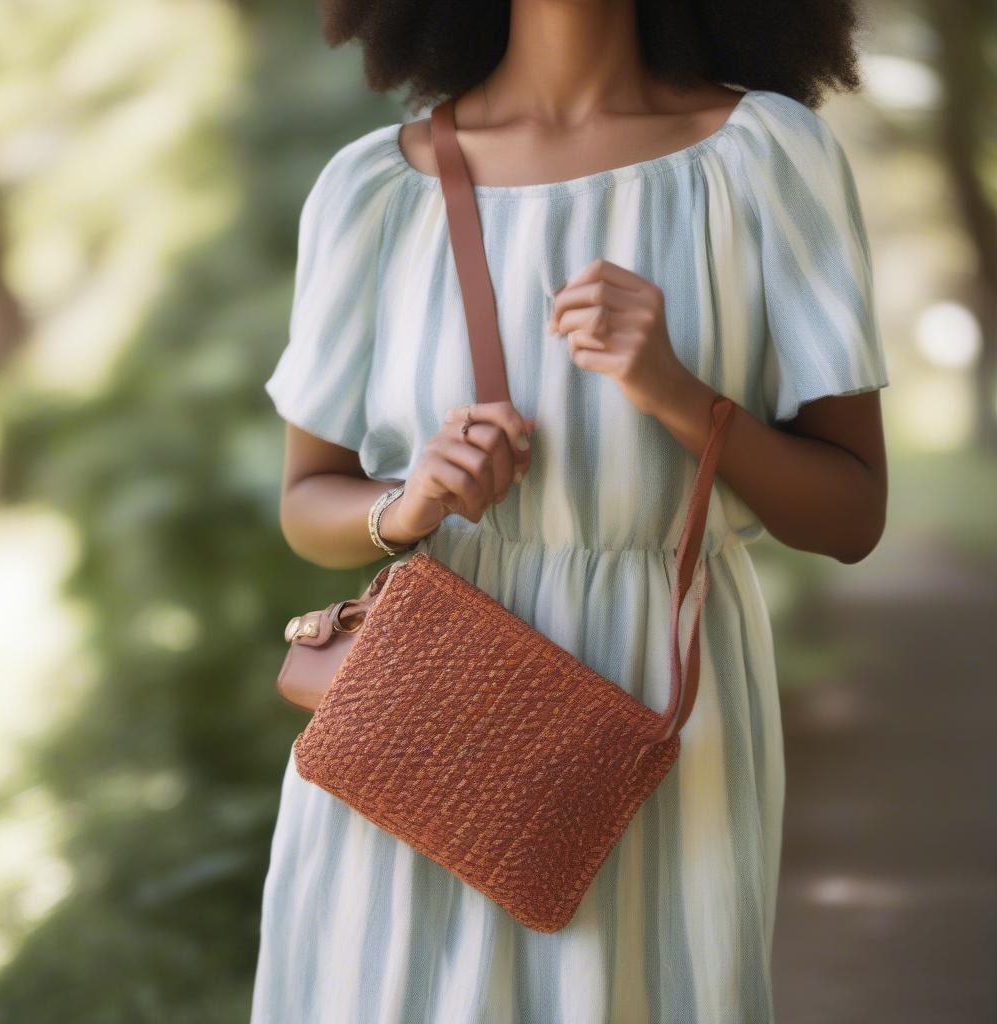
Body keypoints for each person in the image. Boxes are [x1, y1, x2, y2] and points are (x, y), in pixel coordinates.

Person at [249, 0, 890, 1020]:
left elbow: (850, 513)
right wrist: (406, 502)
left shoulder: (765, 157)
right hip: (419, 727)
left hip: (656, 719)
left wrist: (681, 393)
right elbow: (304, 502)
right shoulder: (374, 186)